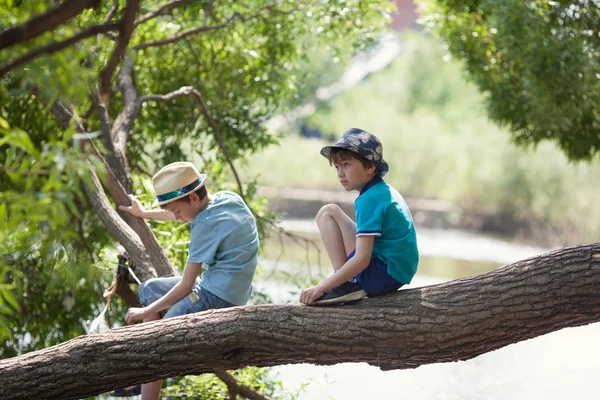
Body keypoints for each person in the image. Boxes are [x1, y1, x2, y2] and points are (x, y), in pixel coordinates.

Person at [117, 161, 259, 399]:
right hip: (230, 288)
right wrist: (144, 214)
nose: (177, 217)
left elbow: (186, 286)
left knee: (157, 341)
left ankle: (149, 373)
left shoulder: (204, 225)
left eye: (177, 211)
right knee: (150, 287)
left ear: (193, 198)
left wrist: (145, 313)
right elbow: (182, 213)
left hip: (216, 296)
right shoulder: (226, 198)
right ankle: (148, 376)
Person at [299, 128, 419, 306]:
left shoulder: (369, 199)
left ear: (371, 167)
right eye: (337, 167)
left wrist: (322, 287)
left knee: (327, 213)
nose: (340, 173)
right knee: (330, 212)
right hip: (395, 271)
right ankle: (346, 283)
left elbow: (363, 258)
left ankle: (344, 284)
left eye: (347, 165)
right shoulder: (380, 191)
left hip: (384, 275)